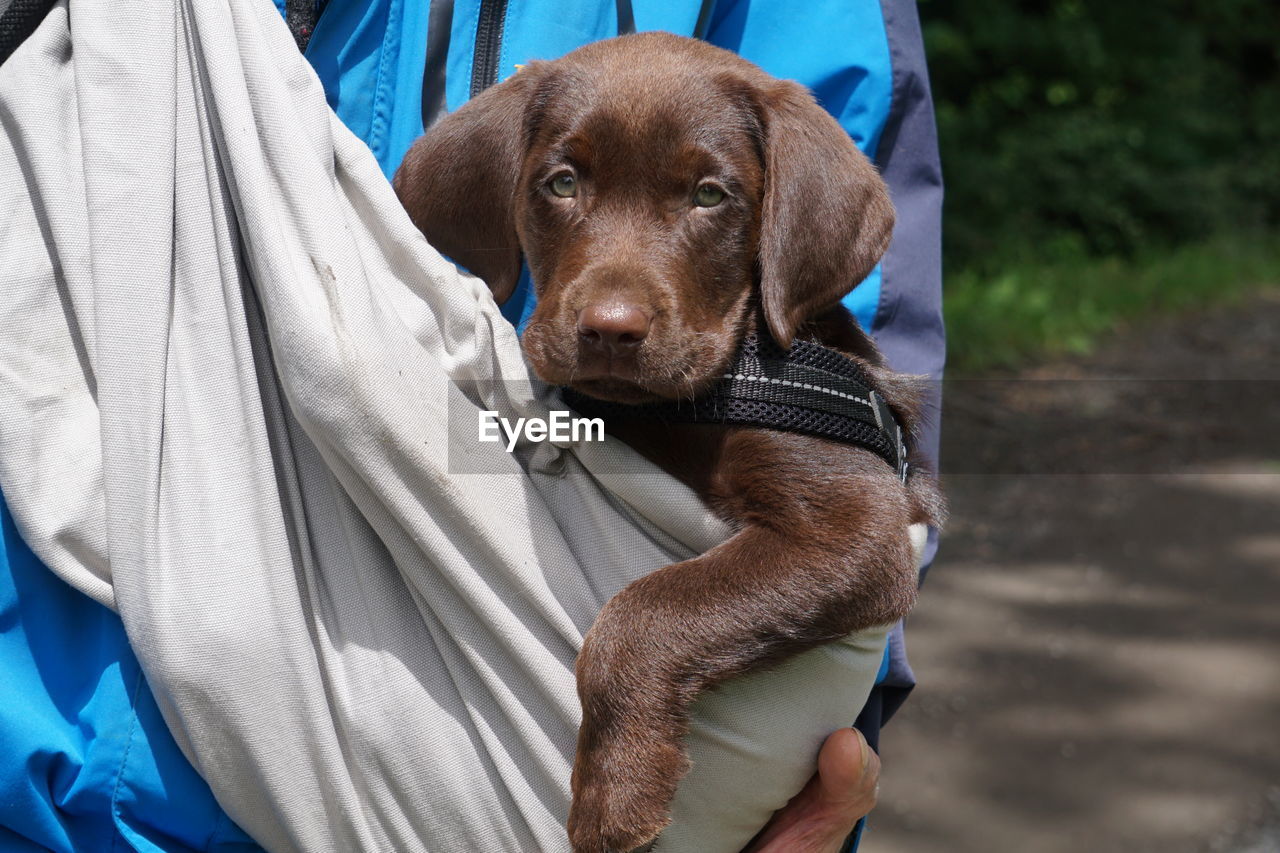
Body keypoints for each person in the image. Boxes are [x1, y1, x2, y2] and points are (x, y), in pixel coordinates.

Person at [0, 0, 940, 850]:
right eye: (564, 186)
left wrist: (791, 729)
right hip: (77, 763)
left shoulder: (775, 391)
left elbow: (869, 541)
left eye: (704, 198)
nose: (614, 301)